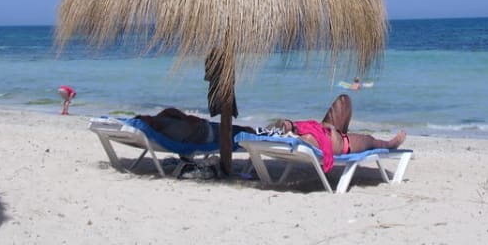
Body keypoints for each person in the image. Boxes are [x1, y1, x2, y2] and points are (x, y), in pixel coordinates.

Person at [273, 94, 406, 173]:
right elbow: (329, 149)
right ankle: (390, 145)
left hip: (329, 133)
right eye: (285, 124)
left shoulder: (296, 133)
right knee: (369, 140)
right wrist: (334, 133)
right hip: (343, 145)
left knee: (344, 100)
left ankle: (341, 132)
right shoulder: (305, 139)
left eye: (285, 122)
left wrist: (326, 128)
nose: (286, 123)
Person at [134, 107, 257, 145]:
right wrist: (193, 122)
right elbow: (189, 135)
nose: (147, 116)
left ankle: (253, 133)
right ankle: (255, 135)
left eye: (144, 115)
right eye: (145, 118)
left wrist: (185, 117)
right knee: (242, 134)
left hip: (207, 127)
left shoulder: (159, 120)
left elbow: (169, 110)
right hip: (210, 135)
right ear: (148, 126)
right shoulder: (165, 133)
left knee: (240, 130)